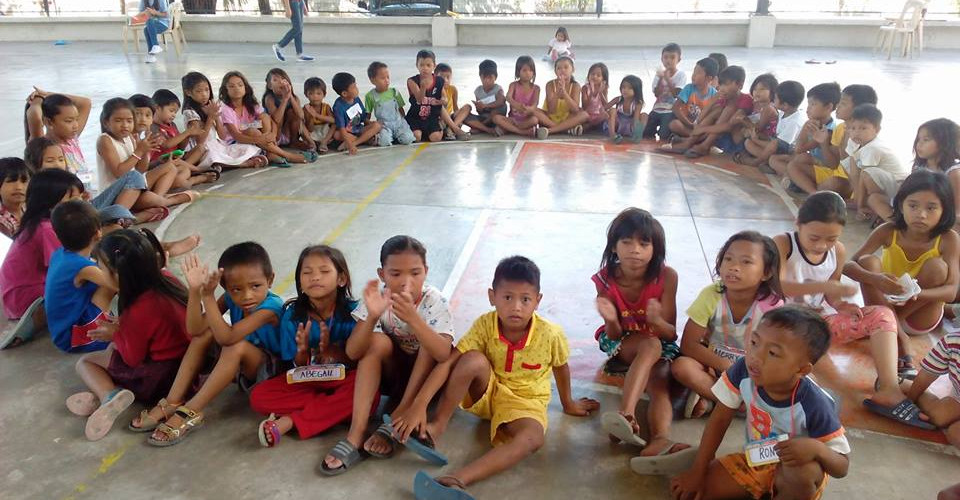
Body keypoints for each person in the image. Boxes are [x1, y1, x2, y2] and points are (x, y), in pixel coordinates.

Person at [411, 256, 599, 500]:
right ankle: (437, 426)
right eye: (507, 297)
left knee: (533, 438)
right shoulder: (485, 325)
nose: (516, 307)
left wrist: (568, 403)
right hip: (488, 391)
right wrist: (419, 405)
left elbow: (561, 368)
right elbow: (449, 361)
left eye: (525, 299)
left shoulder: (551, 334)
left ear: (538, 301)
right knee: (471, 359)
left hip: (526, 403)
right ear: (492, 297)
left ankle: (457, 479)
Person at [775, 191, 932, 429]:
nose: (822, 245)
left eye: (831, 238)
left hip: (816, 324)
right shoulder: (783, 244)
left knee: (882, 315)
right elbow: (777, 286)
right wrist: (824, 286)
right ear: (798, 223)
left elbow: (832, 292)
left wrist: (842, 305)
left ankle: (888, 388)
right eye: (814, 237)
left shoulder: (837, 250)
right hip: (781, 325)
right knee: (792, 373)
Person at [670, 306, 851, 500]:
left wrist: (817, 449)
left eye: (772, 353)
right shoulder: (743, 370)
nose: (755, 356)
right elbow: (719, 420)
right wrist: (699, 470)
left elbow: (842, 466)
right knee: (697, 492)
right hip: (757, 460)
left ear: (801, 370)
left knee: (802, 474)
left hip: (796, 470)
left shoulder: (815, 404)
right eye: (755, 342)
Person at [320, 235, 455, 475]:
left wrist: (414, 320)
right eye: (396, 274)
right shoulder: (379, 298)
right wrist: (372, 316)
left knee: (429, 342)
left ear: (426, 271)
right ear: (382, 275)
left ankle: (399, 414)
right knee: (376, 341)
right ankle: (356, 433)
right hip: (392, 378)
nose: (406, 282)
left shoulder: (434, 300)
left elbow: (444, 354)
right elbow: (353, 352)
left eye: (415, 273)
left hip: (423, 384)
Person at [588, 209, 696, 473]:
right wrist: (610, 319)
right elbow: (614, 334)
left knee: (660, 382)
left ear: (655, 248)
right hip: (624, 341)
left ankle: (659, 439)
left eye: (643, 243)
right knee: (650, 344)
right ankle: (627, 414)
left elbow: (670, 334)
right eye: (626, 242)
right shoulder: (605, 279)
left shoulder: (666, 276)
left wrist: (657, 321)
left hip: (659, 339)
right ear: (614, 246)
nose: (634, 250)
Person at [144, 243, 284, 446]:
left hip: (272, 372)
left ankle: (191, 410)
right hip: (242, 365)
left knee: (234, 345)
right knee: (206, 333)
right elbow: (195, 329)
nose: (247, 295)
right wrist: (195, 291)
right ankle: (172, 401)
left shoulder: (271, 307)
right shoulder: (230, 298)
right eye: (236, 289)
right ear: (225, 287)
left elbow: (228, 339)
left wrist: (208, 297)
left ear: (270, 280)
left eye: (255, 286)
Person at [68, 228, 190, 441]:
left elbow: (132, 358)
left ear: (117, 275)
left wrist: (116, 335)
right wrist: (123, 329)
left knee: (86, 363)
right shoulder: (167, 279)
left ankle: (108, 396)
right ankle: (103, 393)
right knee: (111, 350)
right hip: (188, 370)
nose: (99, 271)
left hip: (159, 379)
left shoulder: (138, 309)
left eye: (101, 267)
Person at [843, 169, 959, 379]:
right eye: (913, 206)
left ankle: (893, 330)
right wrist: (877, 279)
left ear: (944, 210)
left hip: (919, 316)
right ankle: (899, 336)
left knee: (937, 267)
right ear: (900, 204)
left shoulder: (948, 238)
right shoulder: (888, 230)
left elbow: (951, 292)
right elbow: (848, 266)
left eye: (931, 208)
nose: (921, 214)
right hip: (886, 304)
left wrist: (913, 294)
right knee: (867, 262)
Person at [250, 245, 365, 447]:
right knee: (259, 397)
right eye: (307, 272)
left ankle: (291, 420)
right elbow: (295, 366)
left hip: (342, 378)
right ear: (300, 281)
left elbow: (359, 361)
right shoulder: (293, 315)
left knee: (367, 390)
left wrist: (333, 352)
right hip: (307, 380)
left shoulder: (355, 313)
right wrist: (302, 352)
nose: (315, 277)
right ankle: (331, 409)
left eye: (324, 271)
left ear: (341, 279)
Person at [672, 231, 784, 419]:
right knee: (682, 367)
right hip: (713, 365)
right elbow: (689, 344)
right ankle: (740, 406)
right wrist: (724, 365)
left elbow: (775, 354)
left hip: (753, 371)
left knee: (793, 381)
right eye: (728, 259)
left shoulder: (771, 307)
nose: (733, 267)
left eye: (746, 262)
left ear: (766, 273)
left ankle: (714, 401)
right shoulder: (712, 295)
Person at [0, 169, 83, 344]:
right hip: (26, 298)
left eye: (81, 199)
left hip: (17, 295)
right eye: (73, 201)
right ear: (50, 203)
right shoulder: (46, 229)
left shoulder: (42, 224)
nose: (81, 206)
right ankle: (35, 321)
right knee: (87, 287)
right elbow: (68, 269)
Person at [95, 97, 196, 223]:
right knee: (138, 181)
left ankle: (135, 215)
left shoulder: (130, 138)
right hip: (111, 195)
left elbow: (140, 170)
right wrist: (139, 151)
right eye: (118, 120)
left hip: (131, 189)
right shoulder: (105, 140)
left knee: (152, 193)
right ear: (106, 122)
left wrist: (145, 150)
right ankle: (121, 217)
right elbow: (119, 173)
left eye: (129, 121)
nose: (125, 125)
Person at [44, 200, 116, 354]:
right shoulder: (83, 267)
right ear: (98, 233)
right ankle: (104, 327)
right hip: (73, 337)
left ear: (56, 234)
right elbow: (119, 284)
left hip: (61, 329)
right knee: (113, 284)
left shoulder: (59, 254)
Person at [218, 71, 309, 166]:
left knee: (264, 117)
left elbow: (271, 120)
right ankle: (287, 155)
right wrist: (260, 139)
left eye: (240, 85)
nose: (237, 88)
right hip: (235, 141)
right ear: (225, 90)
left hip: (247, 130)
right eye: (231, 86)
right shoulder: (225, 109)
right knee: (253, 131)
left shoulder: (250, 104)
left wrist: (272, 135)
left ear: (245, 88)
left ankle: (270, 152)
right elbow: (237, 135)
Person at [181, 71, 268, 170]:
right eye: (199, 91)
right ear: (188, 92)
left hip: (217, 145)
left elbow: (222, 136)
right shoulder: (190, 113)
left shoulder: (211, 107)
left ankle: (226, 163)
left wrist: (216, 118)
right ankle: (244, 163)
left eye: (207, 90)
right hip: (201, 149)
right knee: (213, 156)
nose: (204, 94)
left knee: (247, 148)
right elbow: (200, 141)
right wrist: (210, 118)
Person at [777, 83, 845, 196]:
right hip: (812, 162)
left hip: (824, 166)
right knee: (775, 159)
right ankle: (795, 180)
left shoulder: (828, 130)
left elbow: (800, 149)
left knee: (799, 160)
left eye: (813, 104)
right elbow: (798, 150)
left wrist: (806, 129)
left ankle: (812, 192)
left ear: (828, 107)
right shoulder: (812, 124)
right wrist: (806, 126)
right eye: (808, 104)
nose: (808, 108)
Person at [846, 104, 909, 224]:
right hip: (882, 185)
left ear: (877, 129)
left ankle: (869, 208)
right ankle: (873, 208)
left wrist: (860, 205)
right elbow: (854, 173)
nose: (856, 132)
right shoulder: (854, 142)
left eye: (863, 128)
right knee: (848, 165)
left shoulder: (873, 148)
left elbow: (865, 176)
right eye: (853, 128)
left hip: (898, 185)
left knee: (868, 174)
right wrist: (857, 199)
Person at [675, 65, 754, 159]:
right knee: (717, 110)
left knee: (730, 109)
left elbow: (728, 126)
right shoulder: (724, 99)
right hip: (722, 139)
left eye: (727, 84)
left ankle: (704, 145)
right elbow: (700, 119)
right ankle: (691, 141)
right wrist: (713, 100)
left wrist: (703, 129)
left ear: (740, 85)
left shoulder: (746, 99)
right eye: (721, 85)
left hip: (739, 142)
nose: (722, 88)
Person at [24, 88, 94, 189]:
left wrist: (47, 94)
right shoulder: (43, 145)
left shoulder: (72, 140)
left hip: (85, 196)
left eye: (76, 119)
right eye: (69, 121)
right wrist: (38, 99)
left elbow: (85, 102)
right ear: (49, 122)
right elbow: (35, 116)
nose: (75, 125)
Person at [905, 331, 960, 448]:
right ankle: (903, 384)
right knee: (939, 418)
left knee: (955, 433)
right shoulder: (952, 342)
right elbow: (926, 376)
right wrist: (909, 401)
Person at [744, 80, 805, 169]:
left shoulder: (794, 122)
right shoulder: (783, 113)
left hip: (787, 151)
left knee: (772, 145)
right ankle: (766, 161)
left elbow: (779, 146)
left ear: (785, 105)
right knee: (748, 142)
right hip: (776, 145)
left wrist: (756, 140)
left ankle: (756, 162)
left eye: (775, 98)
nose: (773, 100)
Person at [532, 56, 589, 139]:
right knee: (533, 111)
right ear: (555, 71)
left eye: (566, 67)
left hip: (568, 118)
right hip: (550, 118)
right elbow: (551, 110)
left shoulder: (575, 86)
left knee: (584, 115)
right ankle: (565, 129)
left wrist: (564, 93)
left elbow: (575, 109)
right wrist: (557, 93)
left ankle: (550, 130)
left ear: (573, 70)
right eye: (559, 68)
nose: (562, 70)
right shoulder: (550, 85)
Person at [664, 57, 719, 143]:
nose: (693, 75)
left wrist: (702, 126)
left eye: (698, 73)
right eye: (694, 71)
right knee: (674, 124)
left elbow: (714, 116)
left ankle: (689, 139)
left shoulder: (714, 94)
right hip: (686, 124)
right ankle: (694, 138)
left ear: (709, 78)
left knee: (714, 130)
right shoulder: (689, 88)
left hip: (701, 127)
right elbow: (675, 108)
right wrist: (689, 124)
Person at [262, 68, 317, 154]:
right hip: (275, 134)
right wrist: (285, 99)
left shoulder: (294, 98)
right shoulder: (269, 98)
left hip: (288, 133)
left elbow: (301, 116)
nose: (280, 82)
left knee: (292, 112)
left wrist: (289, 95)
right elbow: (276, 119)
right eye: (275, 80)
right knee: (277, 116)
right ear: (270, 86)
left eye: (283, 79)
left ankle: (294, 141)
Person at [730, 74, 780, 164]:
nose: (757, 92)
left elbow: (757, 129)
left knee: (748, 141)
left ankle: (765, 160)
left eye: (762, 89)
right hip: (759, 137)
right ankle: (747, 153)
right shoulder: (757, 105)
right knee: (741, 133)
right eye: (755, 89)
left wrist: (744, 120)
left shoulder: (769, 108)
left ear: (772, 92)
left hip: (768, 139)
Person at [365, 62, 416, 147]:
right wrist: (370, 126)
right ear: (372, 80)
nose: (387, 80)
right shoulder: (370, 96)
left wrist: (404, 122)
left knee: (408, 139)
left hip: (398, 123)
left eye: (388, 77)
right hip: (384, 125)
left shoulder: (394, 92)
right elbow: (368, 115)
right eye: (383, 78)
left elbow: (401, 109)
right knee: (384, 142)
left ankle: (397, 136)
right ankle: (387, 137)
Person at [643, 43, 686, 141]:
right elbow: (656, 94)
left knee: (664, 135)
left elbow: (676, 94)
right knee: (646, 133)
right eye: (665, 57)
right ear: (661, 59)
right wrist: (660, 79)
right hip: (657, 108)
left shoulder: (681, 75)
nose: (668, 60)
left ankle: (671, 134)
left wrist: (667, 79)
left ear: (679, 60)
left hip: (670, 110)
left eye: (672, 57)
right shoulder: (659, 75)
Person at [331, 72, 382, 155]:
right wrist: (349, 142)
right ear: (344, 93)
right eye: (354, 87)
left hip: (359, 129)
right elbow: (342, 128)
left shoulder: (356, 99)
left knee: (377, 125)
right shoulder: (338, 106)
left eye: (356, 85)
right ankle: (363, 139)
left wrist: (370, 124)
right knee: (337, 135)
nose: (357, 89)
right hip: (348, 132)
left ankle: (355, 143)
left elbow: (363, 117)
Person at [492, 56, 541, 138]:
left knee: (535, 120)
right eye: (524, 70)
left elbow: (535, 105)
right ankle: (523, 132)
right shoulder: (513, 85)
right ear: (518, 72)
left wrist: (528, 109)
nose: (528, 73)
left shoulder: (536, 88)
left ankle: (508, 129)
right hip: (513, 119)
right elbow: (508, 97)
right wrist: (516, 105)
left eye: (530, 70)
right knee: (496, 118)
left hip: (527, 120)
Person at [406, 50, 446, 143]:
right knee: (416, 137)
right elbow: (419, 100)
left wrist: (442, 101)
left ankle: (441, 127)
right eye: (421, 65)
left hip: (431, 117)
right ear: (417, 65)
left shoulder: (439, 80)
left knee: (435, 138)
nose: (425, 68)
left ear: (434, 66)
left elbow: (445, 98)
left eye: (428, 65)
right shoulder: (412, 81)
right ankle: (422, 132)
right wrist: (423, 87)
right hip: (415, 117)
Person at [463, 59, 507, 136]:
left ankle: (480, 127)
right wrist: (479, 107)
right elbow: (479, 111)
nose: (487, 80)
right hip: (484, 117)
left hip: (495, 118)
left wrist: (486, 105)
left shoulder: (498, 89)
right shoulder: (478, 91)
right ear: (480, 77)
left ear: (495, 77)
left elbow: (501, 101)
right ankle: (486, 129)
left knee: (502, 107)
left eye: (490, 78)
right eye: (484, 78)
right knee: (465, 116)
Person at [605, 75, 645, 144]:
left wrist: (635, 128)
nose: (625, 90)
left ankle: (637, 135)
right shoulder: (618, 99)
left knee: (644, 115)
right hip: (617, 125)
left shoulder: (638, 103)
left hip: (629, 126)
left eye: (630, 88)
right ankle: (613, 135)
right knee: (613, 110)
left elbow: (636, 119)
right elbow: (604, 108)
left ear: (636, 90)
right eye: (623, 87)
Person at [435, 63, 471, 140]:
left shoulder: (453, 89)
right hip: (440, 119)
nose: (445, 80)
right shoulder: (434, 90)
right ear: (435, 77)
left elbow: (455, 107)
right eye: (442, 77)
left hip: (450, 118)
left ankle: (451, 128)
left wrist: (459, 119)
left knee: (468, 107)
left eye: (448, 77)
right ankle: (451, 130)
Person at [302, 77, 337, 153]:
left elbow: (333, 120)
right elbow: (310, 129)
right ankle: (312, 144)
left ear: (324, 94)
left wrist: (316, 115)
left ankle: (324, 142)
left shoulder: (326, 107)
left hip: (325, 131)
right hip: (313, 132)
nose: (315, 96)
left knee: (335, 124)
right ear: (306, 94)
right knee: (300, 124)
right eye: (311, 93)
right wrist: (311, 116)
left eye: (318, 93)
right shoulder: (306, 108)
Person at [0, 157, 29, 238]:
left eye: (24, 181)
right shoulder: (2, 223)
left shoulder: (32, 210)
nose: (19, 187)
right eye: (11, 181)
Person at [581, 62, 609, 133]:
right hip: (588, 114)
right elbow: (584, 106)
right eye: (592, 74)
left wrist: (600, 93)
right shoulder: (585, 88)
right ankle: (590, 125)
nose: (594, 77)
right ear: (588, 75)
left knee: (607, 115)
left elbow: (606, 106)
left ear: (603, 78)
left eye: (598, 75)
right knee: (581, 114)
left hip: (598, 115)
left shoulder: (604, 88)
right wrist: (591, 94)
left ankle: (590, 126)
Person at [139, 0, 170, 64]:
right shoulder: (143, 1)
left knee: (149, 23)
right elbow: (140, 14)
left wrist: (155, 13)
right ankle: (152, 54)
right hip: (151, 24)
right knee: (146, 29)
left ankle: (155, 47)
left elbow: (166, 14)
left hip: (163, 23)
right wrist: (145, 12)